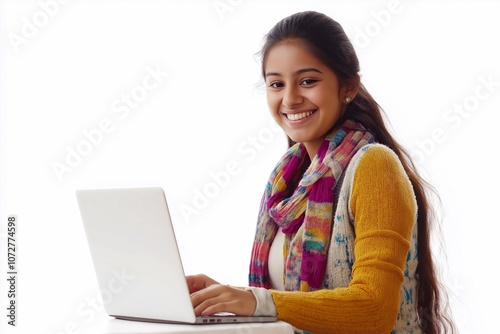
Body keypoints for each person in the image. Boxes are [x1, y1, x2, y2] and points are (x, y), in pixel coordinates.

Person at [187, 10, 455, 334]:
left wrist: (254, 301)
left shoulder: (374, 167)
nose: (290, 98)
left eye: (308, 81)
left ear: (349, 86)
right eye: (276, 84)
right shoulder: (285, 183)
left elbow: (375, 310)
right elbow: (292, 303)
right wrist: (220, 298)